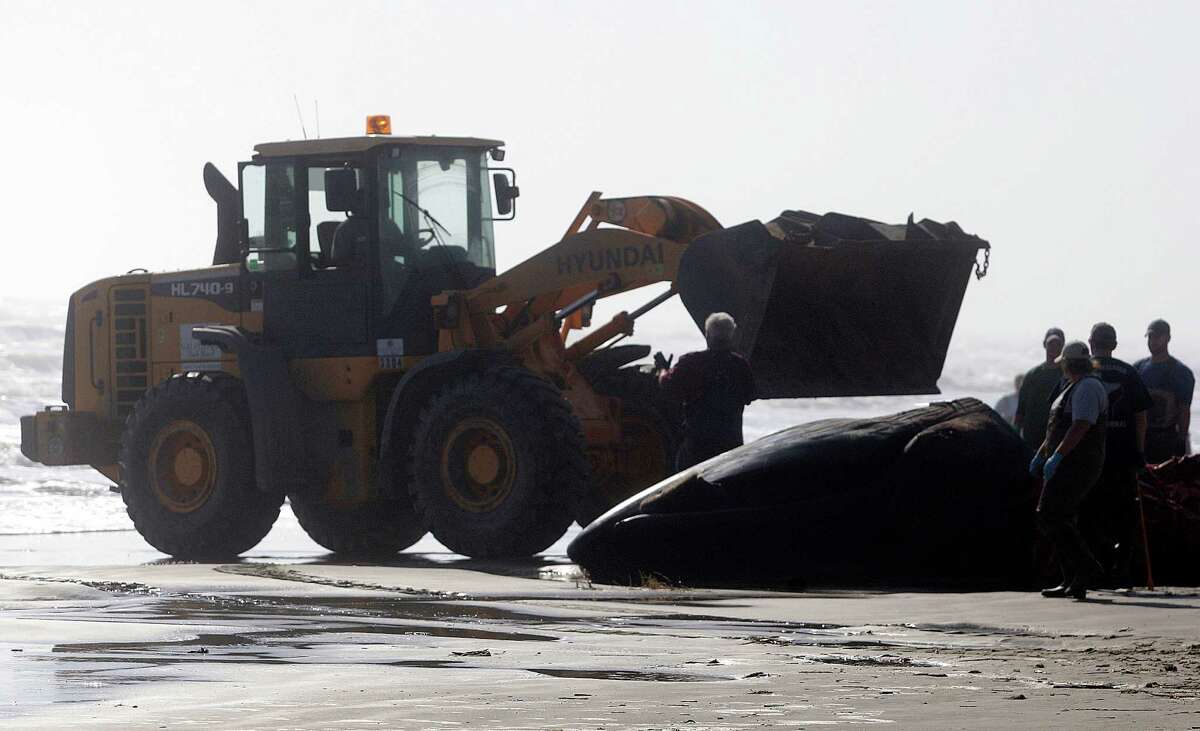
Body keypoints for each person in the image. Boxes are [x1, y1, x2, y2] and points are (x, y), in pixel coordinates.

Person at [1030, 340, 1108, 600]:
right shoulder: (1072, 387)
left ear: (1068, 363)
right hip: (1066, 462)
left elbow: (1081, 426)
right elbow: (1057, 428)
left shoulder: (1087, 387)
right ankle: (1072, 579)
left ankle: (1086, 568)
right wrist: (1042, 454)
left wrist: (1057, 456)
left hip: (1077, 463)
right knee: (1058, 517)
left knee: (1050, 515)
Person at [1082, 322, 1152, 585]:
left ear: (1091, 342)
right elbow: (1141, 416)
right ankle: (1121, 568)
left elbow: (1063, 415)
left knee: (1089, 512)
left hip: (1089, 456)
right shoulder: (1128, 372)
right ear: (1114, 345)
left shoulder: (1081, 371)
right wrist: (1140, 451)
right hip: (1122, 455)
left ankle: (1092, 568)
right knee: (1124, 512)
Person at [659, 312, 756, 470]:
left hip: (697, 447)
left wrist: (663, 370)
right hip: (731, 446)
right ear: (731, 336)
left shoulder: (691, 362)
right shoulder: (740, 365)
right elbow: (750, 396)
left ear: (707, 335)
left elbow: (667, 384)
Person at [1135, 319, 1194, 463]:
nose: (1153, 341)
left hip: (1166, 438)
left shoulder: (1180, 372)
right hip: (1142, 438)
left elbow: (1184, 409)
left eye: (1157, 336)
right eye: (1150, 337)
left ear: (1168, 338)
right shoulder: (1138, 368)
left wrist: (1181, 440)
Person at [1016, 327, 1066, 450]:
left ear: (1063, 346)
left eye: (1058, 344)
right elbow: (1020, 411)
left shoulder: (1068, 375)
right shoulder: (1032, 375)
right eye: (1050, 344)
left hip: (1058, 442)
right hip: (1032, 440)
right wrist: (1015, 436)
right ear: (1044, 345)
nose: (1054, 347)